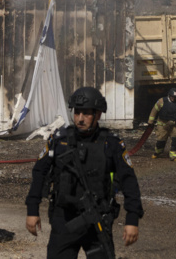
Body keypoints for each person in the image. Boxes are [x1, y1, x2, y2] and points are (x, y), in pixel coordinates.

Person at [25, 86, 143, 258]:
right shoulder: (59, 140)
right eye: (77, 112)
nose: (80, 118)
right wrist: (32, 210)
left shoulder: (111, 143)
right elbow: (39, 173)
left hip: (98, 220)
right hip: (64, 219)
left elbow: (129, 181)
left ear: (98, 114)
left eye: (86, 113)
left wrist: (132, 219)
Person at [148, 87, 176, 161]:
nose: (173, 98)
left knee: (175, 140)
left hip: (175, 125)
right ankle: (158, 152)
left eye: (175, 97)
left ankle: (174, 156)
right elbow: (154, 111)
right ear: (169, 95)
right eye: (172, 97)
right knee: (161, 139)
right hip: (163, 124)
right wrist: (150, 121)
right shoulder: (161, 101)